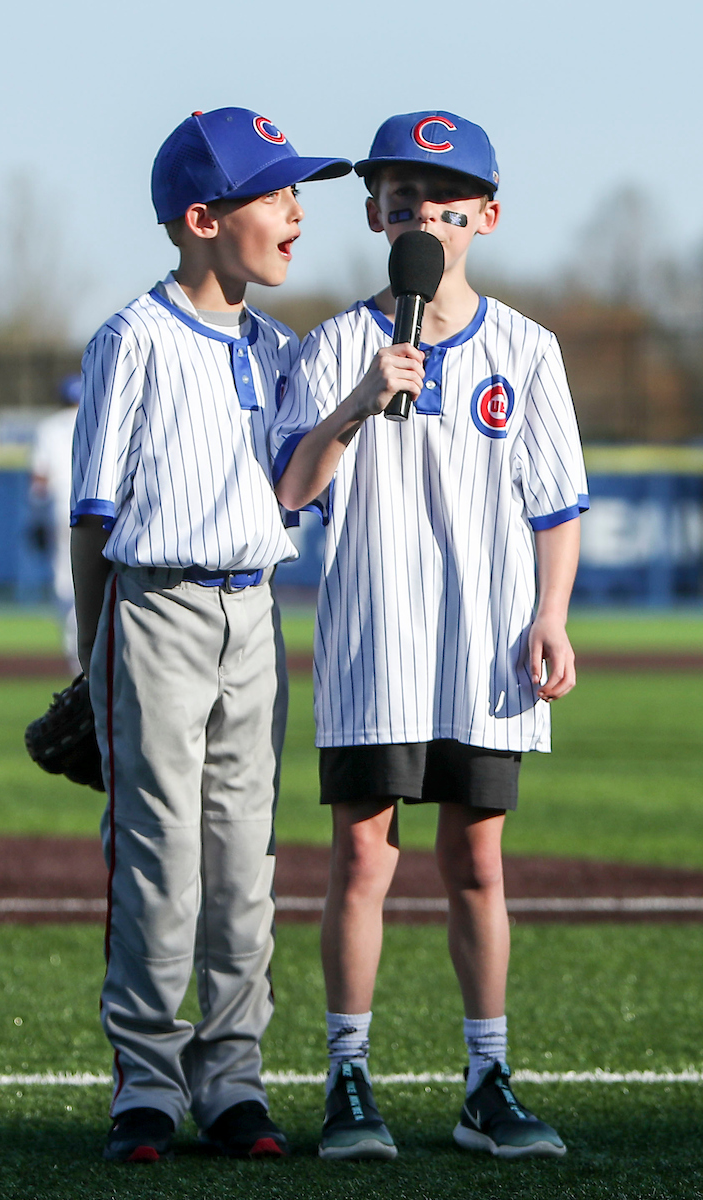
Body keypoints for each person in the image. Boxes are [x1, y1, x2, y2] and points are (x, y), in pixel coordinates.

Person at [273, 110, 588, 1161]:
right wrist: (358, 404)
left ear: (484, 216)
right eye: (401, 199)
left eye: (444, 200)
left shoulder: (527, 350)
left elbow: (554, 503)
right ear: (373, 215)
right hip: (372, 641)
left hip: (481, 648)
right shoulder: (333, 346)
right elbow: (292, 488)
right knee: (361, 858)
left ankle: (485, 1081)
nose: (421, 215)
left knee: (475, 862)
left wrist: (550, 615)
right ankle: (346, 1080)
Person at [70, 107, 350, 1164]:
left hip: (253, 613)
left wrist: (353, 408)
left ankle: (232, 1081)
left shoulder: (277, 346)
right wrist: (90, 660)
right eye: (274, 193)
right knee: (157, 860)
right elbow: (92, 522)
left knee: (243, 862)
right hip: (155, 608)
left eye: (296, 191)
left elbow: (291, 486)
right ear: (200, 218)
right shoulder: (129, 340)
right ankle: (145, 1084)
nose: (295, 209)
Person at [30, 373, 83, 675]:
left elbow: (39, 482)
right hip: (99, 510)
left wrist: (36, 520)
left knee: (67, 590)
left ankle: (77, 665)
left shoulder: (48, 427)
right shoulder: (99, 418)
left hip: (59, 509)